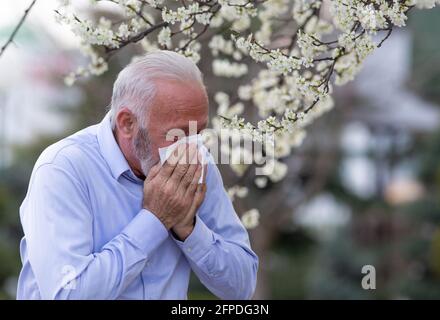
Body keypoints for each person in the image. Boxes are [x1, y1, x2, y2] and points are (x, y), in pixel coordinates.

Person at [16, 50, 258, 299]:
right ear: (127, 123)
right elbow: (67, 295)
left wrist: (189, 228)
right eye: (177, 133)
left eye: (200, 130)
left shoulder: (195, 160)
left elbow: (242, 286)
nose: (191, 146)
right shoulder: (64, 168)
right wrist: (155, 219)